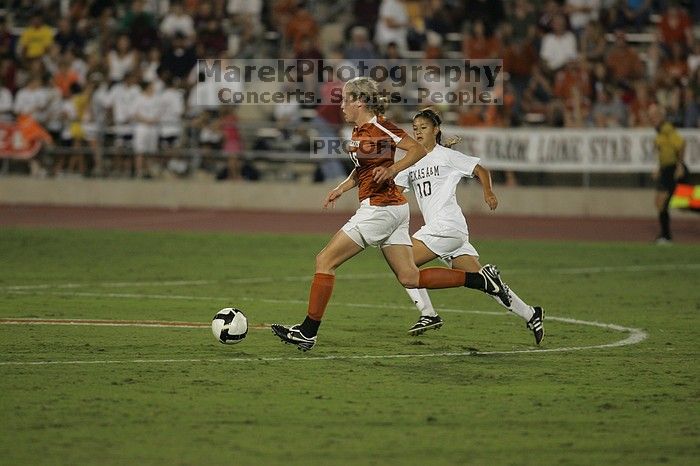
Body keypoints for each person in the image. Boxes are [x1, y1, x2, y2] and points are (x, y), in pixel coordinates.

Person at [271, 78, 511, 351]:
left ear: (360, 101)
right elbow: (362, 169)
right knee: (410, 277)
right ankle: (482, 280)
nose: (342, 105)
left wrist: (394, 170)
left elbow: (417, 149)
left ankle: (307, 332)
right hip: (393, 210)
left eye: (346, 99)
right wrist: (343, 187)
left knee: (324, 260)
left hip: (380, 209)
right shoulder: (359, 130)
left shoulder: (380, 126)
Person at [394, 109, 544, 344]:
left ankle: (428, 314)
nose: (418, 132)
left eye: (424, 128)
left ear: (436, 130)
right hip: (446, 232)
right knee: (487, 284)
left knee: (404, 265)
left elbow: (480, 170)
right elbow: (395, 192)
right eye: (415, 129)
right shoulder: (410, 162)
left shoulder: (446, 156)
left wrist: (488, 191)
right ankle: (531, 313)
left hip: (446, 226)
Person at [650, 105, 686, 244]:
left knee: (666, 201)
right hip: (665, 169)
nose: (652, 118)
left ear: (661, 116)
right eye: (650, 116)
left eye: (654, 115)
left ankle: (666, 236)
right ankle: (665, 235)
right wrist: (659, 168)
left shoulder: (667, 129)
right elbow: (664, 152)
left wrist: (680, 165)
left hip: (672, 169)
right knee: (659, 202)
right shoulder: (659, 132)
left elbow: (681, 144)